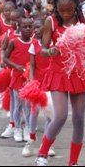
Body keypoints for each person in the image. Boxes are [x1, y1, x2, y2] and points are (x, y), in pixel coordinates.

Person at [34, 0, 85, 166]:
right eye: (61, 10)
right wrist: (53, 51)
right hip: (58, 71)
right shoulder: (50, 22)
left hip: (78, 72)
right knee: (60, 116)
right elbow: (42, 51)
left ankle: (73, 162)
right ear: (55, 7)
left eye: (69, 9)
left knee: (79, 118)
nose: (66, 13)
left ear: (76, 4)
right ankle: (42, 154)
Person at [22, 17, 55, 157]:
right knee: (34, 111)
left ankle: (46, 144)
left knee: (49, 113)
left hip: (52, 82)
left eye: (38, 27)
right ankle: (32, 139)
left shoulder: (55, 44)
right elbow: (32, 65)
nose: (35, 30)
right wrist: (31, 82)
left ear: (47, 28)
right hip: (38, 81)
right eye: (34, 28)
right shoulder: (34, 44)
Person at [4, 16, 34, 142]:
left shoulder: (34, 42)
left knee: (28, 105)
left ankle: (27, 128)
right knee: (18, 105)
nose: (28, 29)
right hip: (17, 76)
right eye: (24, 27)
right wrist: (16, 66)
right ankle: (17, 129)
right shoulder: (14, 42)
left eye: (30, 27)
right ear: (19, 28)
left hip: (29, 78)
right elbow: (5, 58)